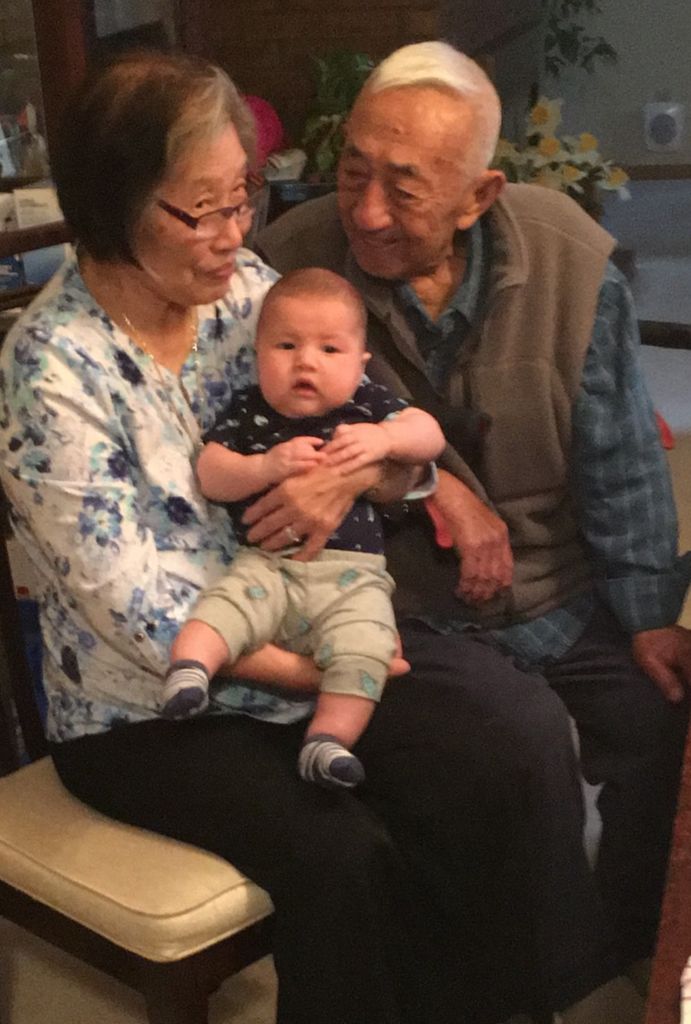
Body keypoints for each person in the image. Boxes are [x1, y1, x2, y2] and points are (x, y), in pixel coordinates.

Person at [0, 50, 547, 1024]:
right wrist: (328, 672)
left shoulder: (246, 289)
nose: (232, 235)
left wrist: (366, 474)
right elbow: (136, 610)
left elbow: (374, 428)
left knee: (500, 741)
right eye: (200, 211)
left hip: (311, 617)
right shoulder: (51, 370)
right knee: (341, 851)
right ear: (113, 203)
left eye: (240, 198)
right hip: (151, 710)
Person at [258, 40, 691, 1023]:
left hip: (553, 586)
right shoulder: (288, 269)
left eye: (403, 188)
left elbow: (620, 457)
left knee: (656, 709)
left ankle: (633, 947)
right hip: (396, 597)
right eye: (352, 172)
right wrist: (427, 486)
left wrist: (645, 616)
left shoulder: (568, 260)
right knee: (514, 741)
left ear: (478, 194)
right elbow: (276, 455)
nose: (366, 210)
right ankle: (553, 992)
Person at [164, 267, 445, 790]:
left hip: (354, 580)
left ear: (361, 364)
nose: (306, 362)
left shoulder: (367, 409)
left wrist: (386, 442)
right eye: (286, 346)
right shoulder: (250, 410)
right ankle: (190, 671)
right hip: (267, 566)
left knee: (368, 649)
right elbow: (211, 473)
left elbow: (429, 435)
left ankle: (328, 741)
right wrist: (262, 467)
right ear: (258, 354)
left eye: (329, 349)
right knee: (223, 609)